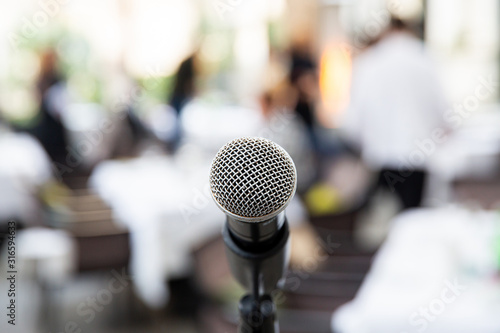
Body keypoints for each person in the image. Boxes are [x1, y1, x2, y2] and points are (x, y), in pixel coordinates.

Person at [341, 18, 448, 209]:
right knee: (413, 222)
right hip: (420, 159)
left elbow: (353, 121)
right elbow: (443, 112)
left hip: (381, 160)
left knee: (384, 223)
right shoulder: (425, 58)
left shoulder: (368, 62)